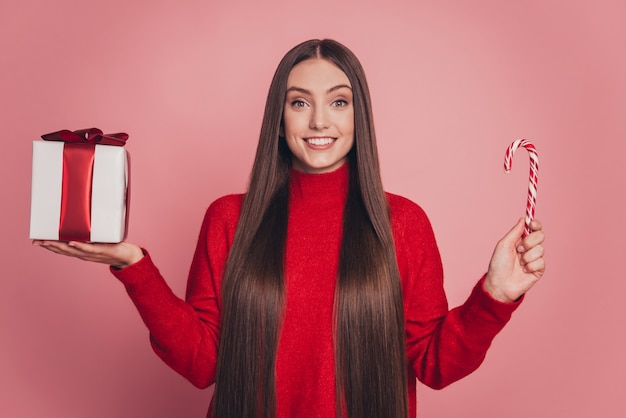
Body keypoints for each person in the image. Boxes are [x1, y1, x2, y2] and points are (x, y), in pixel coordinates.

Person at [34, 39, 546, 418]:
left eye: (339, 102)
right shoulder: (228, 219)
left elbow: (435, 366)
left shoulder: (403, 224)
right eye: (300, 102)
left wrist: (493, 298)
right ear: (278, 119)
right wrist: (134, 268)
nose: (319, 120)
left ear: (359, 116)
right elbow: (202, 364)